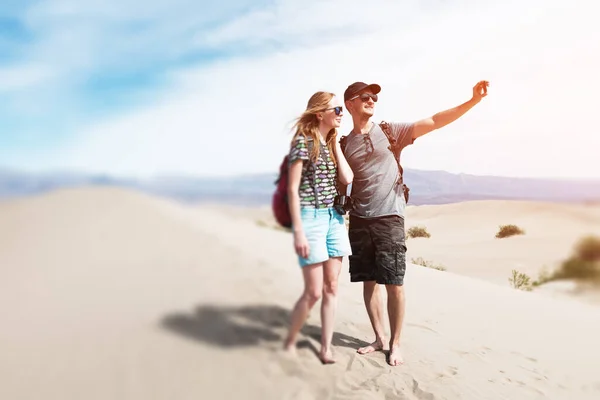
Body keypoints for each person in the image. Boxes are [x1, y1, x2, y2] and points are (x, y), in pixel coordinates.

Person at [340, 80, 489, 366]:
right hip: (359, 219)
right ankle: (379, 337)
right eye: (365, 97)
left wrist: (472, 102)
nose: (372, 100)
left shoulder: (390, 131)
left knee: (394, 282)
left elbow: (434, 121)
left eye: (374, 97)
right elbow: (338, 181)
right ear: (350, 104)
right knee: (368, 283)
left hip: (389, 217)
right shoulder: (345, 144)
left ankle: (395, 344)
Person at [283, 91, 354, 364]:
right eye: (336, 110)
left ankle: (325, 347)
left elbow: (347, 178)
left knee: (332, 287)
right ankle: (290, 338)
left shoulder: (331, 144)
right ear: (319, 113)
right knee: (313, 291)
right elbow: (292, 188)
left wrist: (335, 144)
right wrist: (298, 230)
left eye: (341, 111)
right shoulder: (303, 142)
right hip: (310, 218)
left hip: (334, 219)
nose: (341, 115)